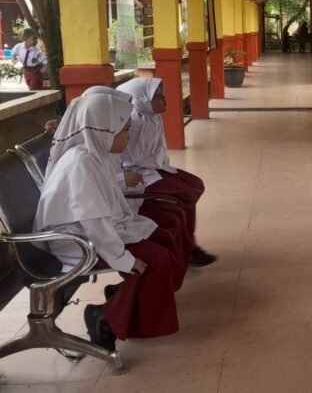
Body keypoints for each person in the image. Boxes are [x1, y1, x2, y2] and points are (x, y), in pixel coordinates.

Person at [34, 93, 183, 352]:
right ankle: (105, 317)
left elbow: (104, 204)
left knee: (160, 238)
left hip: (89, 233)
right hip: (76, 242)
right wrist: (123, 259)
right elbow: (93, 222)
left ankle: (124, 301)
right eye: (124, 131)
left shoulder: (94, 153)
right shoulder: (80, 163)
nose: (128, 137)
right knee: (154, 259)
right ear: (104, 130)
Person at [115, 78, 217, 267]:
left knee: (194, 186)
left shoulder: (152, 117)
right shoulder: (132, 122)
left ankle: (187, 242)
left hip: (154, 170)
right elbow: (129, 159)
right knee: (185, 195)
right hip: (137, 177)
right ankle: (189, 248)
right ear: (142, 99)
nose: (164, 100)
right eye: (157, 97)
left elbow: (158, 150)